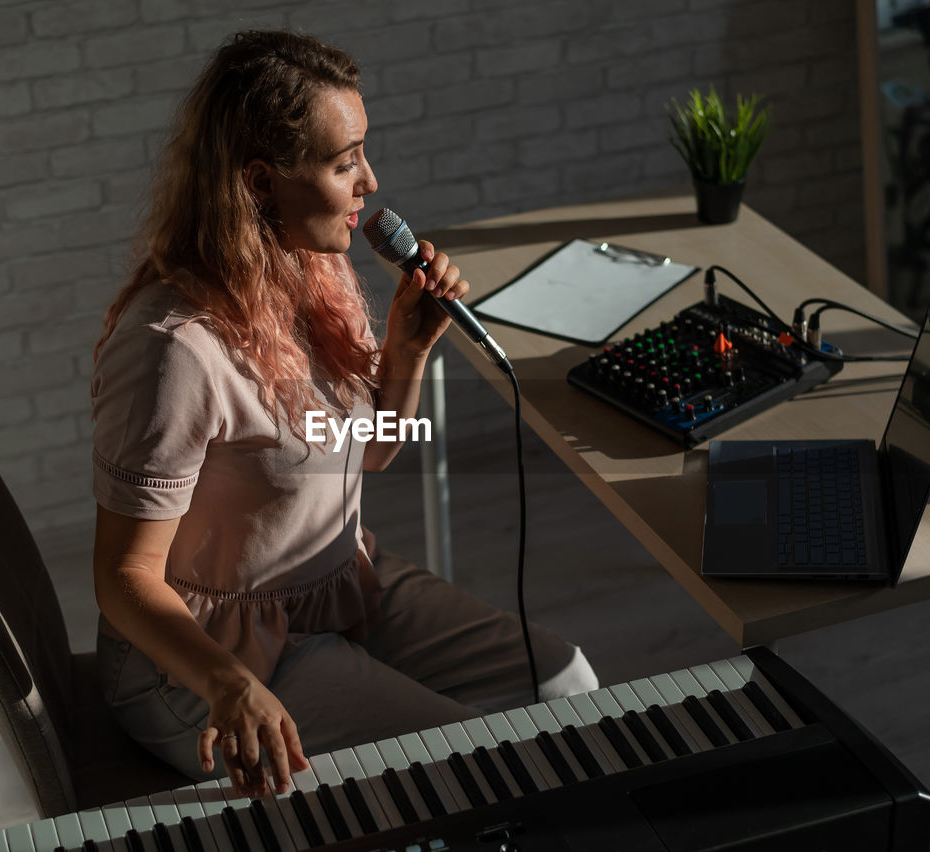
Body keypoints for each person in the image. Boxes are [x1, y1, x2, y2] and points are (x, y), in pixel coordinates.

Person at [90, 29, 597, 800]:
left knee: (567, 682)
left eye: (363, 151)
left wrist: (407, 350)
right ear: (260, 183)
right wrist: (228, 683)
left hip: (338, 588)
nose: (371, 179)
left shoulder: (315, 271)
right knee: (476, 770)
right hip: (207, 665)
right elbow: (122, 577)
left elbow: (370, 452)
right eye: (343, 160)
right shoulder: (173, 350)